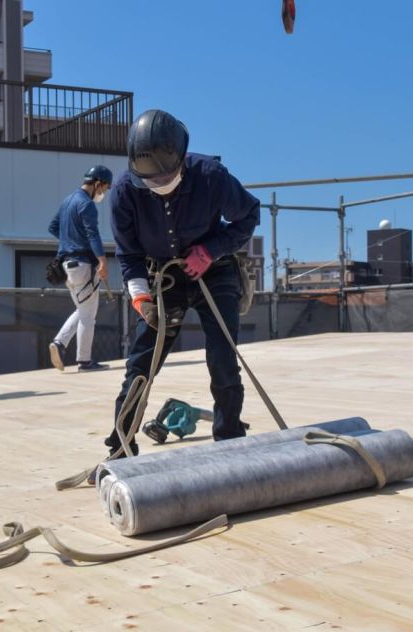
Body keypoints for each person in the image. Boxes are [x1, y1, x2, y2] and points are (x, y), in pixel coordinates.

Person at [99, 108, 259, 468]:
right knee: (142, 361)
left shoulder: (212, 177)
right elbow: (129, 255)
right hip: (163, 279)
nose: (156, 186)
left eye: (164, 179)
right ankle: (121, 446)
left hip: (213, 273)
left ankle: (230, 441)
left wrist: (211, 250)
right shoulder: (125, 192)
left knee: (222, 356)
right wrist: (140, 296)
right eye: (149, 181)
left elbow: (249, 216)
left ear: (182, 159)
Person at [47, 165, 112, 372]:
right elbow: (93, 234)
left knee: (83, 309)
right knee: (88, 315)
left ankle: (59, 343)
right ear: (98, 183)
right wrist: (102, 260)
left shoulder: (68, 201)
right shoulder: (87, 204)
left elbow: (53, 227)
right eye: (104, 188)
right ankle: (84, 361)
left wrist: (69, 242)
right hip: (83, 265)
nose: (103, 193)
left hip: (66, 266)